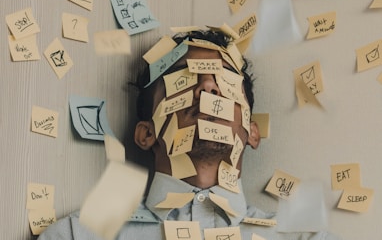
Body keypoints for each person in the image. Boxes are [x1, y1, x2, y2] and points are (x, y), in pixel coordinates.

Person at [38, 29, 340, 240]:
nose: (208, 87)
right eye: (185, 77)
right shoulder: (75, 236)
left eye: (225, 81)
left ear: (252, 132)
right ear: (146, 134)